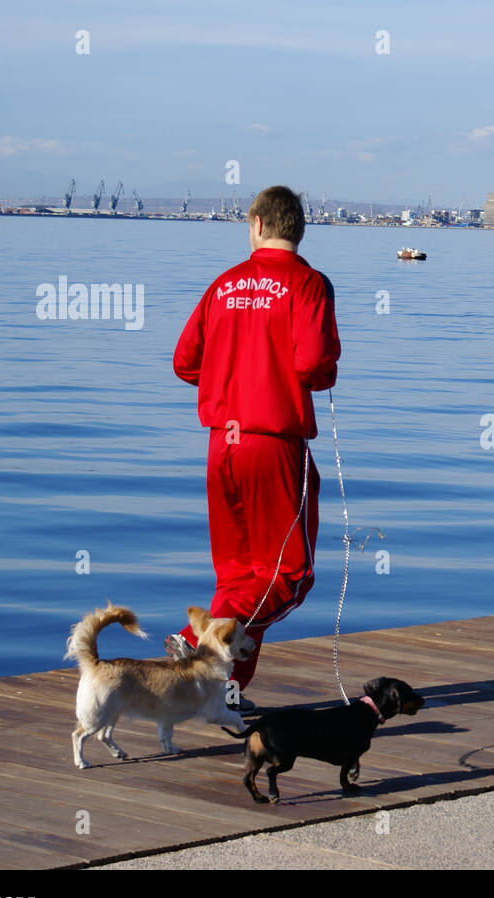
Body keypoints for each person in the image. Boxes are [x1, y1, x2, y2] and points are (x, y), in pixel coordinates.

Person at [165, 185, 340, 710]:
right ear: (296, 228)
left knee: (240, 573)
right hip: (273, 444)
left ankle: (224, 694)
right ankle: (198, 637)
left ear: (258, 225)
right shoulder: (308, 284)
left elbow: (184, 361)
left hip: (223, 444)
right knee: (289, 574)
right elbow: (313, 365)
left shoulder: (223, 285)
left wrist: (231, 379)